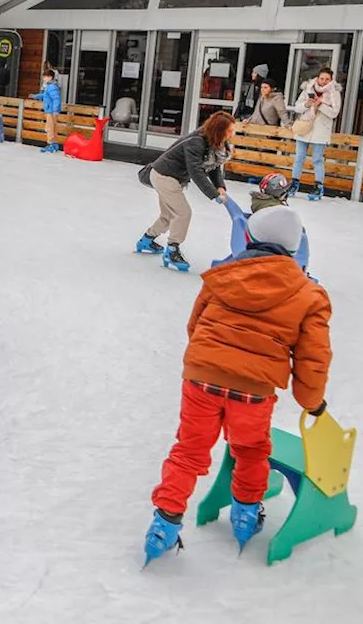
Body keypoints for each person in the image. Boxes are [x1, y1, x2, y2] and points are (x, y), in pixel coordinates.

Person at [143, 205, 331, 565]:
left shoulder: (222, 276)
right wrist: (311, 401)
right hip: (254, 389)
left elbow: (195, 326)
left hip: (201, 376)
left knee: (189, 451)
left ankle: (164, 524)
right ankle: (245, 514)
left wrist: (211, 360)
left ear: (250, 237)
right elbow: (314, 356)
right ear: (294, 249)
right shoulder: (309, 294)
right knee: (250, 450)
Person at [136, 111, 235, 272]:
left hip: (173, 178)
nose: (232, 134)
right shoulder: (196, 142)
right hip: (164, 176)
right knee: (183, 213)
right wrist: (214, 194)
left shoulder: (213, 141)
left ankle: (146, 240)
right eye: (229, 130)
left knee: (168, 215)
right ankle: (172, 250)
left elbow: (213, 167)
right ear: (219, 130)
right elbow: (196, 171)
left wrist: (220, 186)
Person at [289, 67, 341, 201]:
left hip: (321, 130)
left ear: (331, 80)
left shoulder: (334, 93)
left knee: (317, 159)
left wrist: (320, 105)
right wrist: (307, 104)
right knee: (299, 157)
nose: (323, 81)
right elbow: (297, 107)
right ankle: (294, 183)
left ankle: (318, 186)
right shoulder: (308, 89)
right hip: (305, 127)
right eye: (321, 78)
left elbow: (334, 113)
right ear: (317, 78)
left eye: (327, 79)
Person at [30, 68, 63, 152]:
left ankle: (50, 144)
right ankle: (54, 144)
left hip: (51, 111)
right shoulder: (50, 86)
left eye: (46, 76)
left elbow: (56, 99)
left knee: (49, 128)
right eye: (44, 76)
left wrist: (55, 110)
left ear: (50, 77)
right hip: (51, 110)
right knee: (53, 128)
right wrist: (36, 96)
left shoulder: (52, 87)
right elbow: (45, 95)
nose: (44, 78)